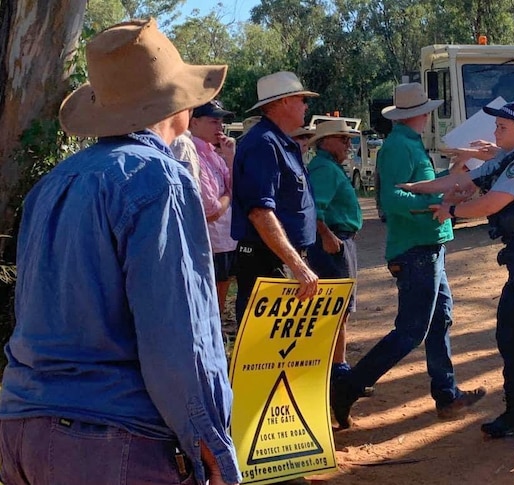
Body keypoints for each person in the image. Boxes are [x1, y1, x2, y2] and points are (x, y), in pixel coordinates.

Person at [0, 19, 240, 485]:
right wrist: (208, 438)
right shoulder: (160, 180)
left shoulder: (54, 184)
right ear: (178, 104)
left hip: (20, 427)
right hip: (112, 438)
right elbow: (179, 334)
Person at [400, 102, 514, 445]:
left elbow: (492, 203)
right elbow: (462, 178)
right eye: (496, 128)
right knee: (511, 340)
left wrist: (452, 210)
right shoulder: (507, 160)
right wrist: (415, 187)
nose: (496, 134)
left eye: (503, 129)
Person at [330, 83, 486, 429]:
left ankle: (447, 395)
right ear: (422, 113)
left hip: (429, 246)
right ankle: (348, 388)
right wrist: (434, 204)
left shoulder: (409, 144)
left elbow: (422, 187)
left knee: (439, 319)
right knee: (411, 330)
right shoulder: (399, 147)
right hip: (416, 250)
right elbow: (394, 200)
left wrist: (453, 174)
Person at [232, 71, 321, 322]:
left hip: (279, 260)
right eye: (301, 99)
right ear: (283, 101)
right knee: (263, 353)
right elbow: (260, 212)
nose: (306, 105)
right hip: (266, 262)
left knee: (283, 351)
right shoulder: (264, 144)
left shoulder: (279, 142)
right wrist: (297, 265)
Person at [305, 120, 365, 385]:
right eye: (342, 139)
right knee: (337, 307)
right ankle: (336, 368)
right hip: (334, 241)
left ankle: (335, 365)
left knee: (339, 307)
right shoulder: (325, 169)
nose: (347, 145)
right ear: (326, 141)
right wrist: (328, 236)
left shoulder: (327, 167)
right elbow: (315, 209)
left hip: (340, 239)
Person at [189, 100, 238, 318]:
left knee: (220, 291)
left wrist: (229, 157)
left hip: (224, 239)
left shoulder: (212, 154)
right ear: (194, 122)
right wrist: (229, 194)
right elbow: (212, 210)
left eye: (220, 122)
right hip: (211, 241)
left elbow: (234, 185)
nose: (220, 128)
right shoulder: (194, 155)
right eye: (213, 122)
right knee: (209, 297)